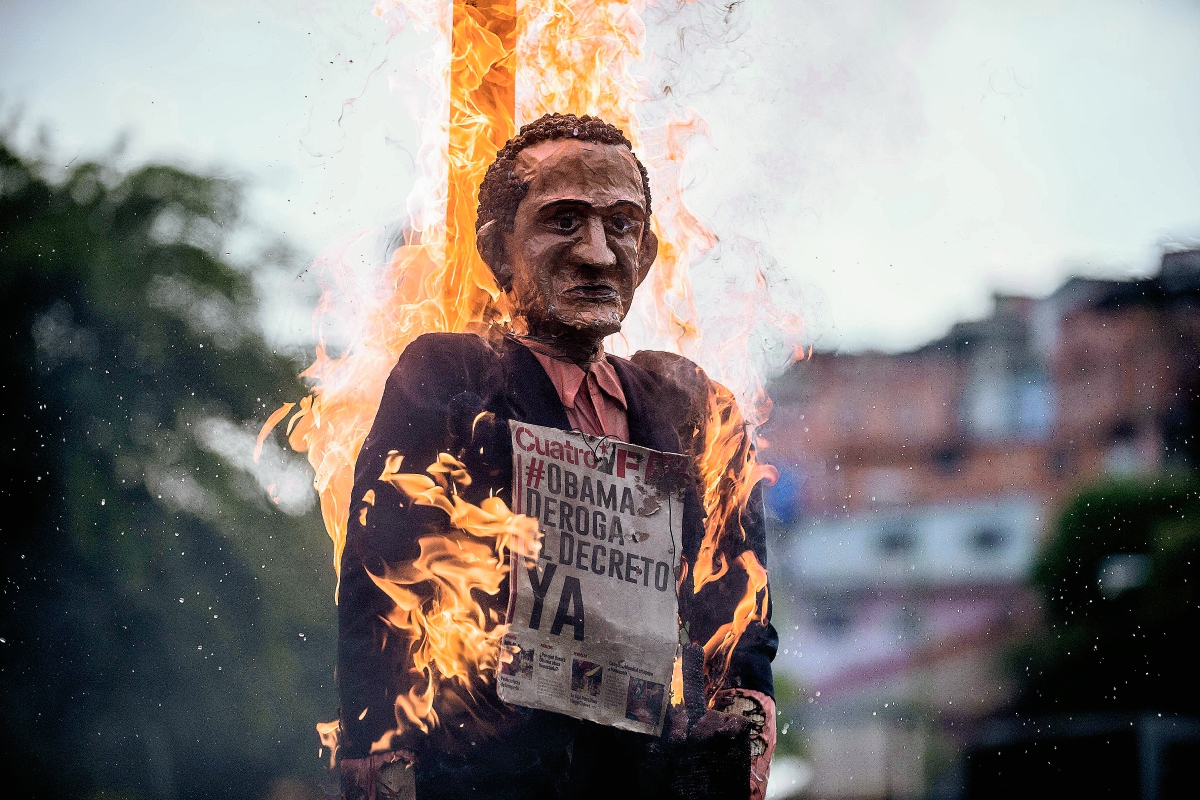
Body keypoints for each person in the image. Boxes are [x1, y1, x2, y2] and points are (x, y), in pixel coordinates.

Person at [337, 113, 777, 800]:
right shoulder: (452, 377)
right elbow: (379, 569)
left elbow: (737, 597)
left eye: (622, 225)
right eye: (563, 221)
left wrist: (746, 718)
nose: (598, 254)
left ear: (648, 253)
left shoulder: (690, 407)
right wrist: (376, 752)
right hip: (488, 769)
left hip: (644, 776)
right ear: (499, 250)